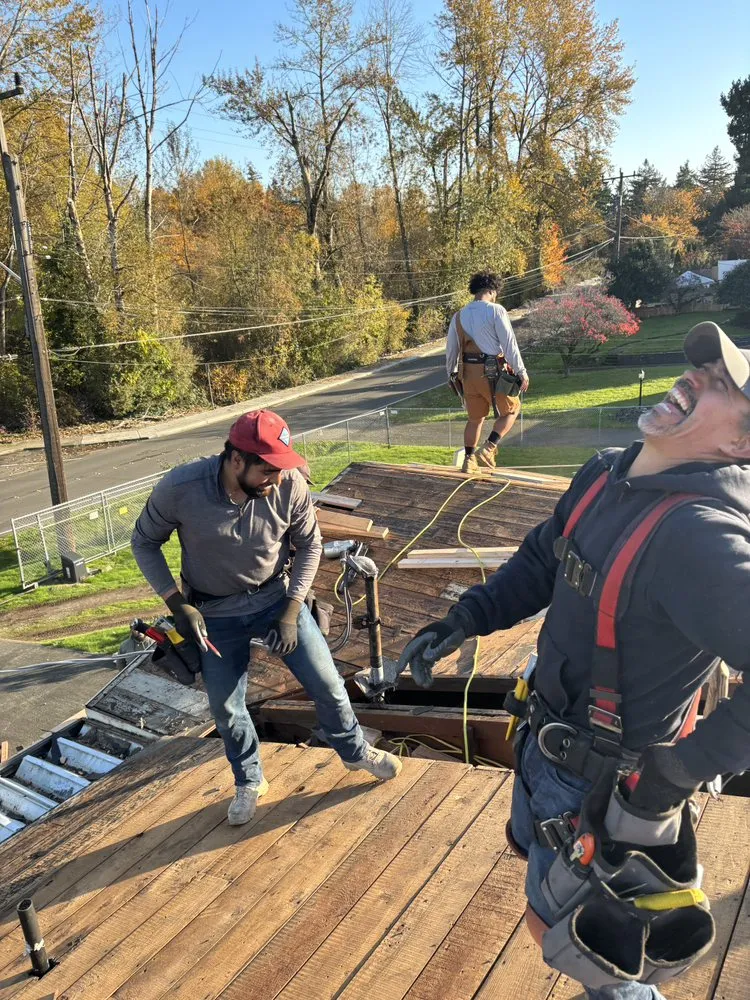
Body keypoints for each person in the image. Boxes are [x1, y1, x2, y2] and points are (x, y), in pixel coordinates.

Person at [399, 321, 750, 999]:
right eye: (700, 368)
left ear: (740, 443)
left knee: (585, 948)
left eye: (719, 385)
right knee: (547, 900)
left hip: (606, 791)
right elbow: (540, 560)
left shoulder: (701, 543)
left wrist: (676, 775)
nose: (694, 377)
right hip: (541, 744)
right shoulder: (604, 475)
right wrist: (463, 621)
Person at [132, 409, 401, 825]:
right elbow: (144, 542)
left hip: (276, 598)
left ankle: (354, 751)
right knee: (225, 707)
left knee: (327, 683)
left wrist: (293, 608)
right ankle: (249, 779)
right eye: (268, 470)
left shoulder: (288, 482)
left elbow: (310, 544)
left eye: (281, 469)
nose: (276, 479)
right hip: (214, 612)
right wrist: (175, 603)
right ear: (236, 459)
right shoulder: (181, 488)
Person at [446, 271, 530, 474]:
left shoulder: (458, 316)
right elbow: (509, 344)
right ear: (492, 291)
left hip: (468, 375)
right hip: (492, 373)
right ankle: (489, 447)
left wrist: (451, 375)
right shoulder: (495, 310)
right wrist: (521, 371)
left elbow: (451, 350)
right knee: (511, 410)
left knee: (475, 419)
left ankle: (468, 461)